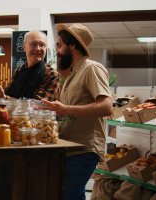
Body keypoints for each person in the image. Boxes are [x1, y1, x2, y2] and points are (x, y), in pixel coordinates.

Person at [41, 23, 113, 200]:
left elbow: (106, 106)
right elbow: (71, 111)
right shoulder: (72, 75)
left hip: (84, 150)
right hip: (70, 149)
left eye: (59, 45)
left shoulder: (91, 68)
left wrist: (65, 108)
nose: (57, 50)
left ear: (72, 45)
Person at [0, 30, 59, 101]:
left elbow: (38, 104)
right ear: (24, 47)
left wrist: (4, 98)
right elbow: (8, 94)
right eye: (34, 44)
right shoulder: (20, 70)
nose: (38, 48)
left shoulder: (51, 74)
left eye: (42, 45)